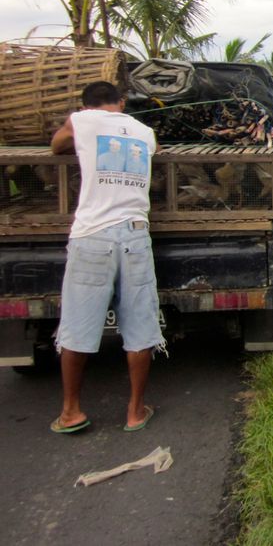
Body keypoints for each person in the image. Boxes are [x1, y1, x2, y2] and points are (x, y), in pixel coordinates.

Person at [48, 81, 162, 434]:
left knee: (78, 325)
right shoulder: (145, 132)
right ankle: (136, 411)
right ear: (122, 102)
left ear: (86, 106)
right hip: (135, 233)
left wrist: (78, 125)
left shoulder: (82, 121)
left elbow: (56, 146)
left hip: (92, 236)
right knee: (141, 325)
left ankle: (71, 412)